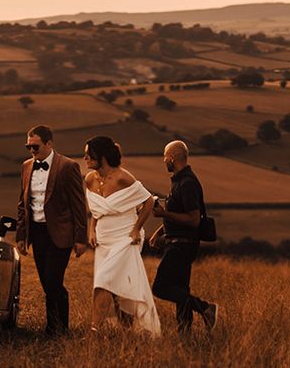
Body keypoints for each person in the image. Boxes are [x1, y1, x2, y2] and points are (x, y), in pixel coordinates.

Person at [83, 136, 160, 336]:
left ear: (102, 156)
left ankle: (94, 330)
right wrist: (91, 230)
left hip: (124, 239)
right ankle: (128, 330)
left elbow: (148, 202)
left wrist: (136, 229)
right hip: (103, 239)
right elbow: (96, 210)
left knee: (103, 281)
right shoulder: (89, 179)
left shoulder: (123, 178)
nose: (85, 159)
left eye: (89, 155)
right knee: (118, 286)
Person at [16, 124, 88, 336]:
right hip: (36, 233)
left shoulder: (68, 166)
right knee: (46, 283)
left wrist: (80, 238)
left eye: (35, 147)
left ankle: (59, 328)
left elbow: (78, 204)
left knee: (53, 280)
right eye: (28, 147)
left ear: (49, 143)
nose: (31, 151)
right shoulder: (26, 166)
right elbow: (23, 203)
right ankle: (53, 326)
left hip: (60, 233)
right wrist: (21, 235)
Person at [150, 140, 218, 335]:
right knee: (180, 290)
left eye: (165, 156)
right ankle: (184, 335)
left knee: (161, 287)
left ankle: (205, 308)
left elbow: (193, 219)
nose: (164, 160)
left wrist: (164, 215)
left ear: (172, 157)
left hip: (182, 245)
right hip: (178, 242)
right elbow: (179, 214)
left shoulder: (187, 183)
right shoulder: (180, 181)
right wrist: (160, 232)